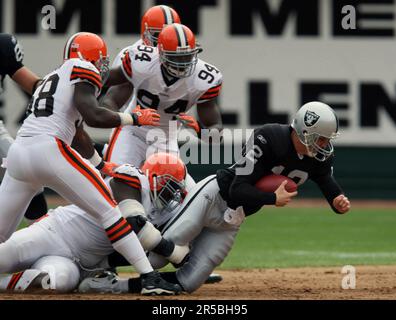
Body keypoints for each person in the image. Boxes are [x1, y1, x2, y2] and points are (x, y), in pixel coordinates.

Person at [79, 101, 351, 294]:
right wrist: (272, 199)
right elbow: (238, 189)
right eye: (322, 138)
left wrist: (337, 199)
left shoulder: (317, 157)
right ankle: (95, 266)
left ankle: (115, 286)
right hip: (213, 196)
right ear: (305, 131)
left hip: (234, 219)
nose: (326, 145)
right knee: (159, 256)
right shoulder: (268, 137)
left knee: (188, 283)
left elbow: (325, 179)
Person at [0, 31, 180, 295]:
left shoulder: (53, 76)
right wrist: (133, 119)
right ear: (90, 57)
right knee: (110, 212)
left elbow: (79, 133)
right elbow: (93, 116)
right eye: (101, 59)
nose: (102, 65)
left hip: (19, 153)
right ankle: (150, 278)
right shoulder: (83, 67)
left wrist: (100, 164)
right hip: (49, 149)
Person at [0, 153, 191, 293]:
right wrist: (174, 252)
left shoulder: (159, 214)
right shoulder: (132, 180)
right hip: (54, 234)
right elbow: (133, 223)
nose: (171, 196)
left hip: (78, 265)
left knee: (49, 283)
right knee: (2, 257)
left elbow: (139, 250)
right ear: (154, 178)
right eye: (170, 188)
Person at [102, 23, 223, 186]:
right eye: (177, 57)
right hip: (132, 130)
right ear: (160, 53)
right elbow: (107, 90)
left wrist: (200, 129)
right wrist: (125, 118)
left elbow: (217, 134)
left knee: (171, 194)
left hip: (166, 137)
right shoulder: (141, 61)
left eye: (187, 56)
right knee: (114, 183)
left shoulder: (205, 79)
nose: (183, 62)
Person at [0, 33, 48, 223]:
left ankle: (44, 235)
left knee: (28, 174)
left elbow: (31, 83)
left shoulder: (3, 47)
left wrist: (57, 89)